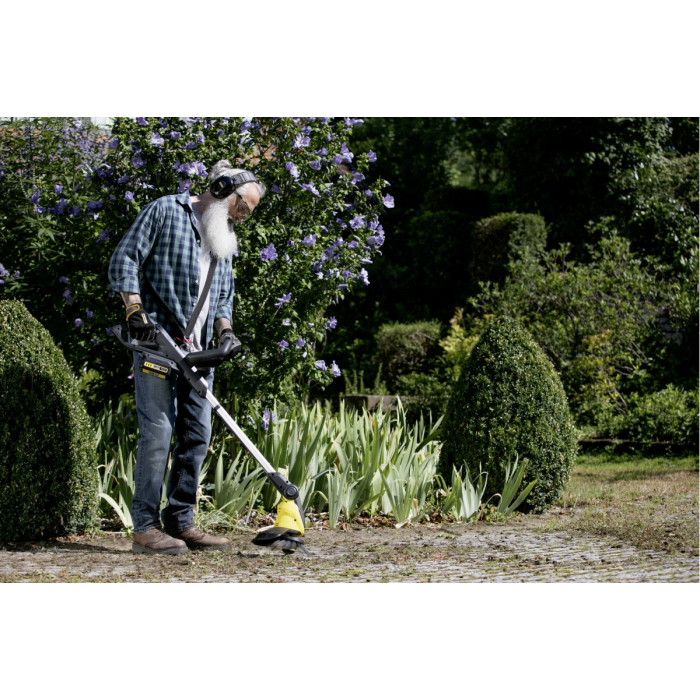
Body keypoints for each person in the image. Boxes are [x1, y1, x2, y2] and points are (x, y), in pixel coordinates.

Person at [108, 160, 265, 554]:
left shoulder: (223, 235)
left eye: (248, 212)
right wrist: (133, 309)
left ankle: (181, 521)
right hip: (156, 343)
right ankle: (145, 527)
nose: (242, 216)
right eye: (243, 207)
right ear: (223, 189)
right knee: (159, 432)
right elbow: (125, 258)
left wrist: (225, 333)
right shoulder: (166, 211)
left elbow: (223, 295)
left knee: (197, 434)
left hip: (198, 353)